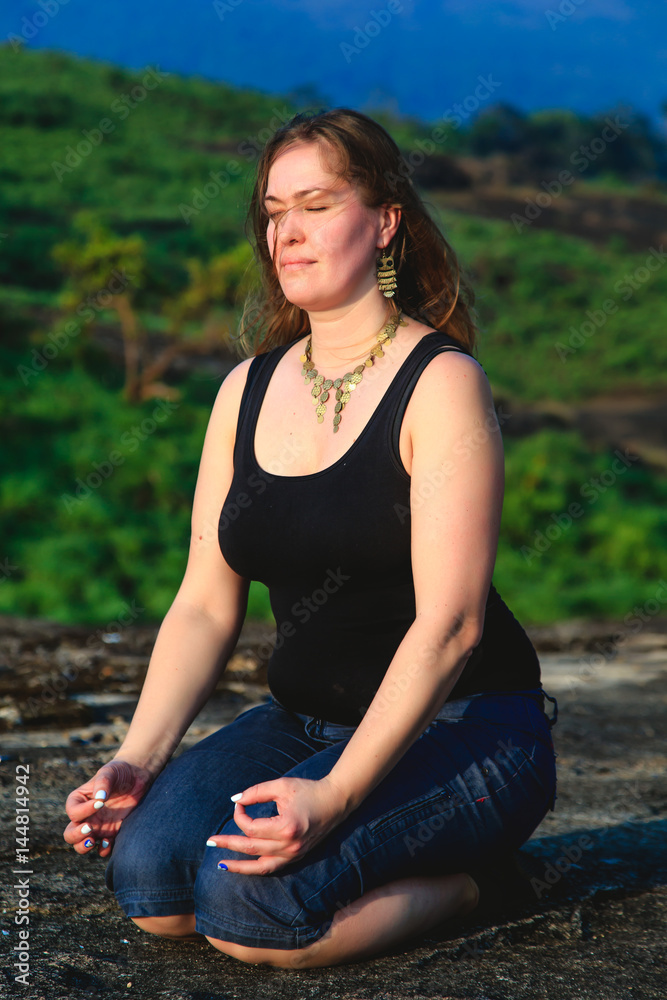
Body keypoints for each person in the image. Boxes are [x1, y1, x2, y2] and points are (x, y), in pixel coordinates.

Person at [63, 107, 557, 969]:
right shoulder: (244, 390)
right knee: (152, 886)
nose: (286, 232)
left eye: (317, 204)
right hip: (299, 720)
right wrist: (135, 762)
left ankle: (491, 883)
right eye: (272, 210)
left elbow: (451, 627)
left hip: (465, 725)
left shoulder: (439, 383)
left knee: (252, 915)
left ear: (384, 222)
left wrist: (333, 796)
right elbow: (204, 604)